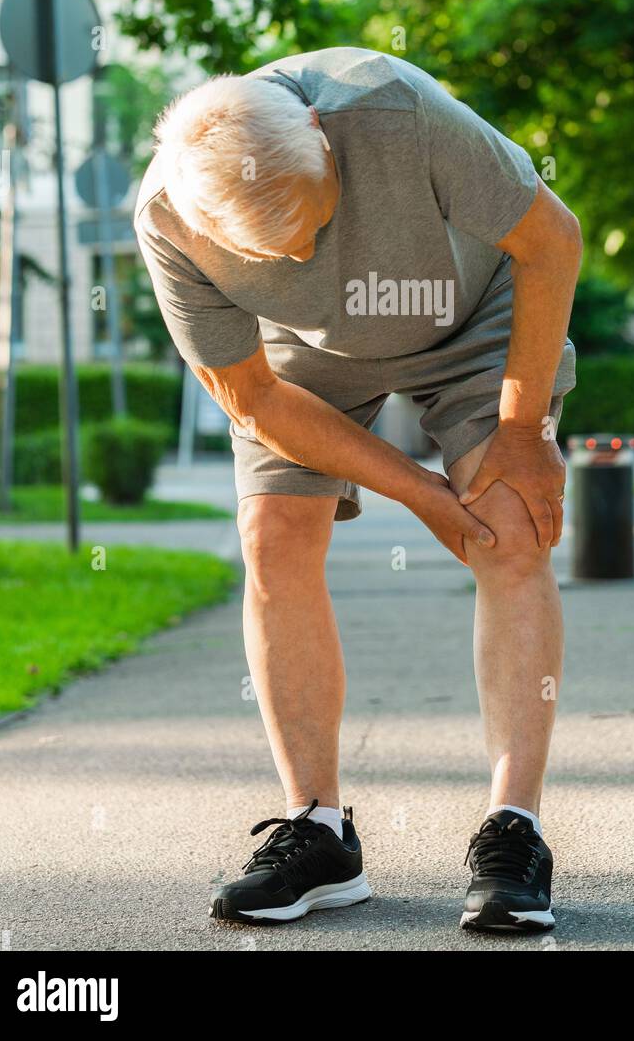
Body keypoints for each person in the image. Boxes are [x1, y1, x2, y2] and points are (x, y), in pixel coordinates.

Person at [135, 46, 581, 933]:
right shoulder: (166, 218)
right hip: (303, 359)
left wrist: (522, 433)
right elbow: (255, 395)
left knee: (506, 522)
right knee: (273, 539)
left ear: (318, 137)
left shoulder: (395, 112)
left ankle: (513, 831)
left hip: (471, 314)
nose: (302, 251)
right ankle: (318, 834)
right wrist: (417, 489)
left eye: (312, 226)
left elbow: (551, 240)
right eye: (278, 251)